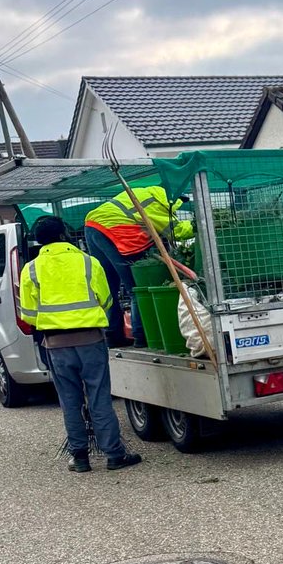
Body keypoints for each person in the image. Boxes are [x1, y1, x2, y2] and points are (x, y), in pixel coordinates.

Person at [19, 215, 142, 474]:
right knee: (99, 398)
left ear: (37, 240)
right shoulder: (88, 262)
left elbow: (27, 314)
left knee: (70, 402)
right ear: (64, 234)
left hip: (56, 345)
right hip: (91, 340)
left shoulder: (30, 269)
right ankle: (114, 455)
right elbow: (107, 300)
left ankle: (80, 458)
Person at [84, 185, 193, 347]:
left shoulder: (144, 193)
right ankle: (142, 337)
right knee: (136, 289)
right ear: (172, 200)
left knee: (108, 287)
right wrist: (200, 225)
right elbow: (177, 232)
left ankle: (112, 336)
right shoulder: (157, 205)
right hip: (116, 233)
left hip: (92, 226)